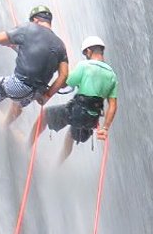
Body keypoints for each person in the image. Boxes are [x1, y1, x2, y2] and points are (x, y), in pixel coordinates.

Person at [0, 5, 69, 131]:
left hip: (18, 85)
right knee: (18, 103)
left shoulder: (29, 28)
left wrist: (13, 38)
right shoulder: (60, 45)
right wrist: (47, 96)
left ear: (35, 20)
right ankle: (4, 125)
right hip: (36, 93)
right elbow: (63, 76)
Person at [36, 34, 119, 163]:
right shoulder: (112, 75)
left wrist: (51, 85)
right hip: (91, 120)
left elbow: (64, 83)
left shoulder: (84, 66)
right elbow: (113, 105)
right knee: (71, 134)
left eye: (85, 54)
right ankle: (57, 164)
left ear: (89, 51)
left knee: (45, 114)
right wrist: (105, 128)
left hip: (77, 112)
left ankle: (28, 144)